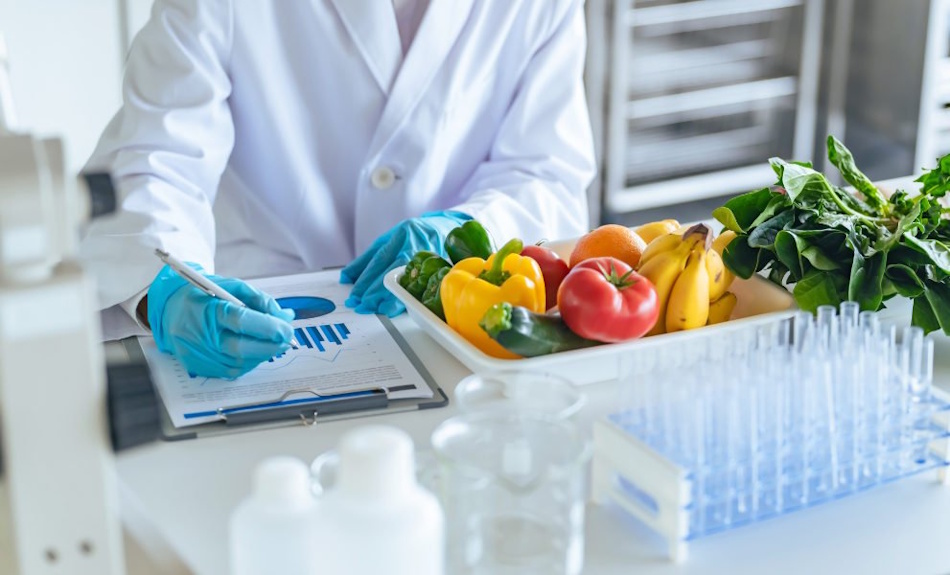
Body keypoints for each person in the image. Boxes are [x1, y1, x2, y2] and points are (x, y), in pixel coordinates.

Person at [80, 0, 596, 379]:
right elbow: (156, 156)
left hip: (454, 319)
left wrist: (467, 232)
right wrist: (163, 288)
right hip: (255, 310)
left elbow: (544, 170)